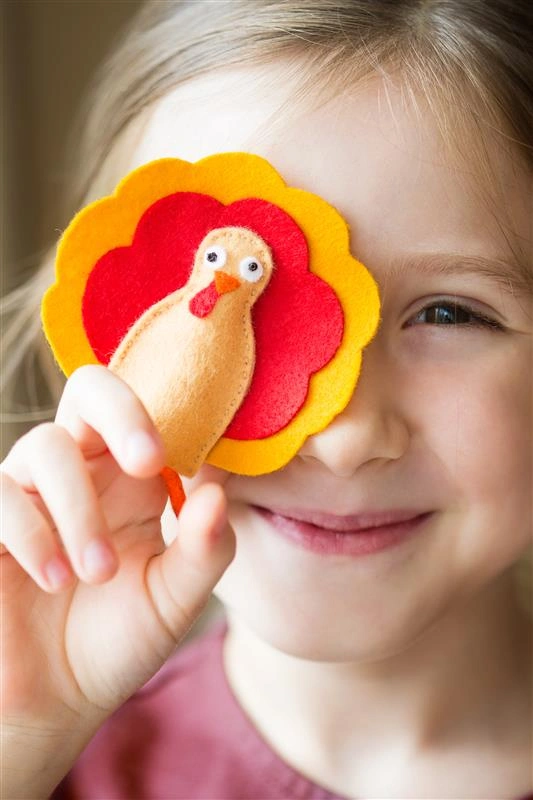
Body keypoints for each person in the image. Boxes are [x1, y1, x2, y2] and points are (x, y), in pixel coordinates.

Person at [1, 1, 532, 798]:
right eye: (270, 312)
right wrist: (22, 737)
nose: (341, 437)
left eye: (449, 313)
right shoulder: (49, 760)